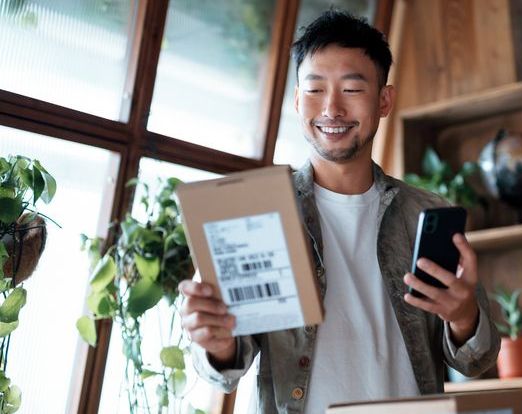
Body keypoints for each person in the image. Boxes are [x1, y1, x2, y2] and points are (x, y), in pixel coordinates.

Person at [179, 10, 500, 414]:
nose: (331, 108)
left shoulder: (426, 213)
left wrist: (464, 315)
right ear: (297, 101)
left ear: (384, 100)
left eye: (351, 89)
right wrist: (219, 344)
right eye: (314, 90)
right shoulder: (257, 215)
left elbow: (477, 359)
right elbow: (223, 368)